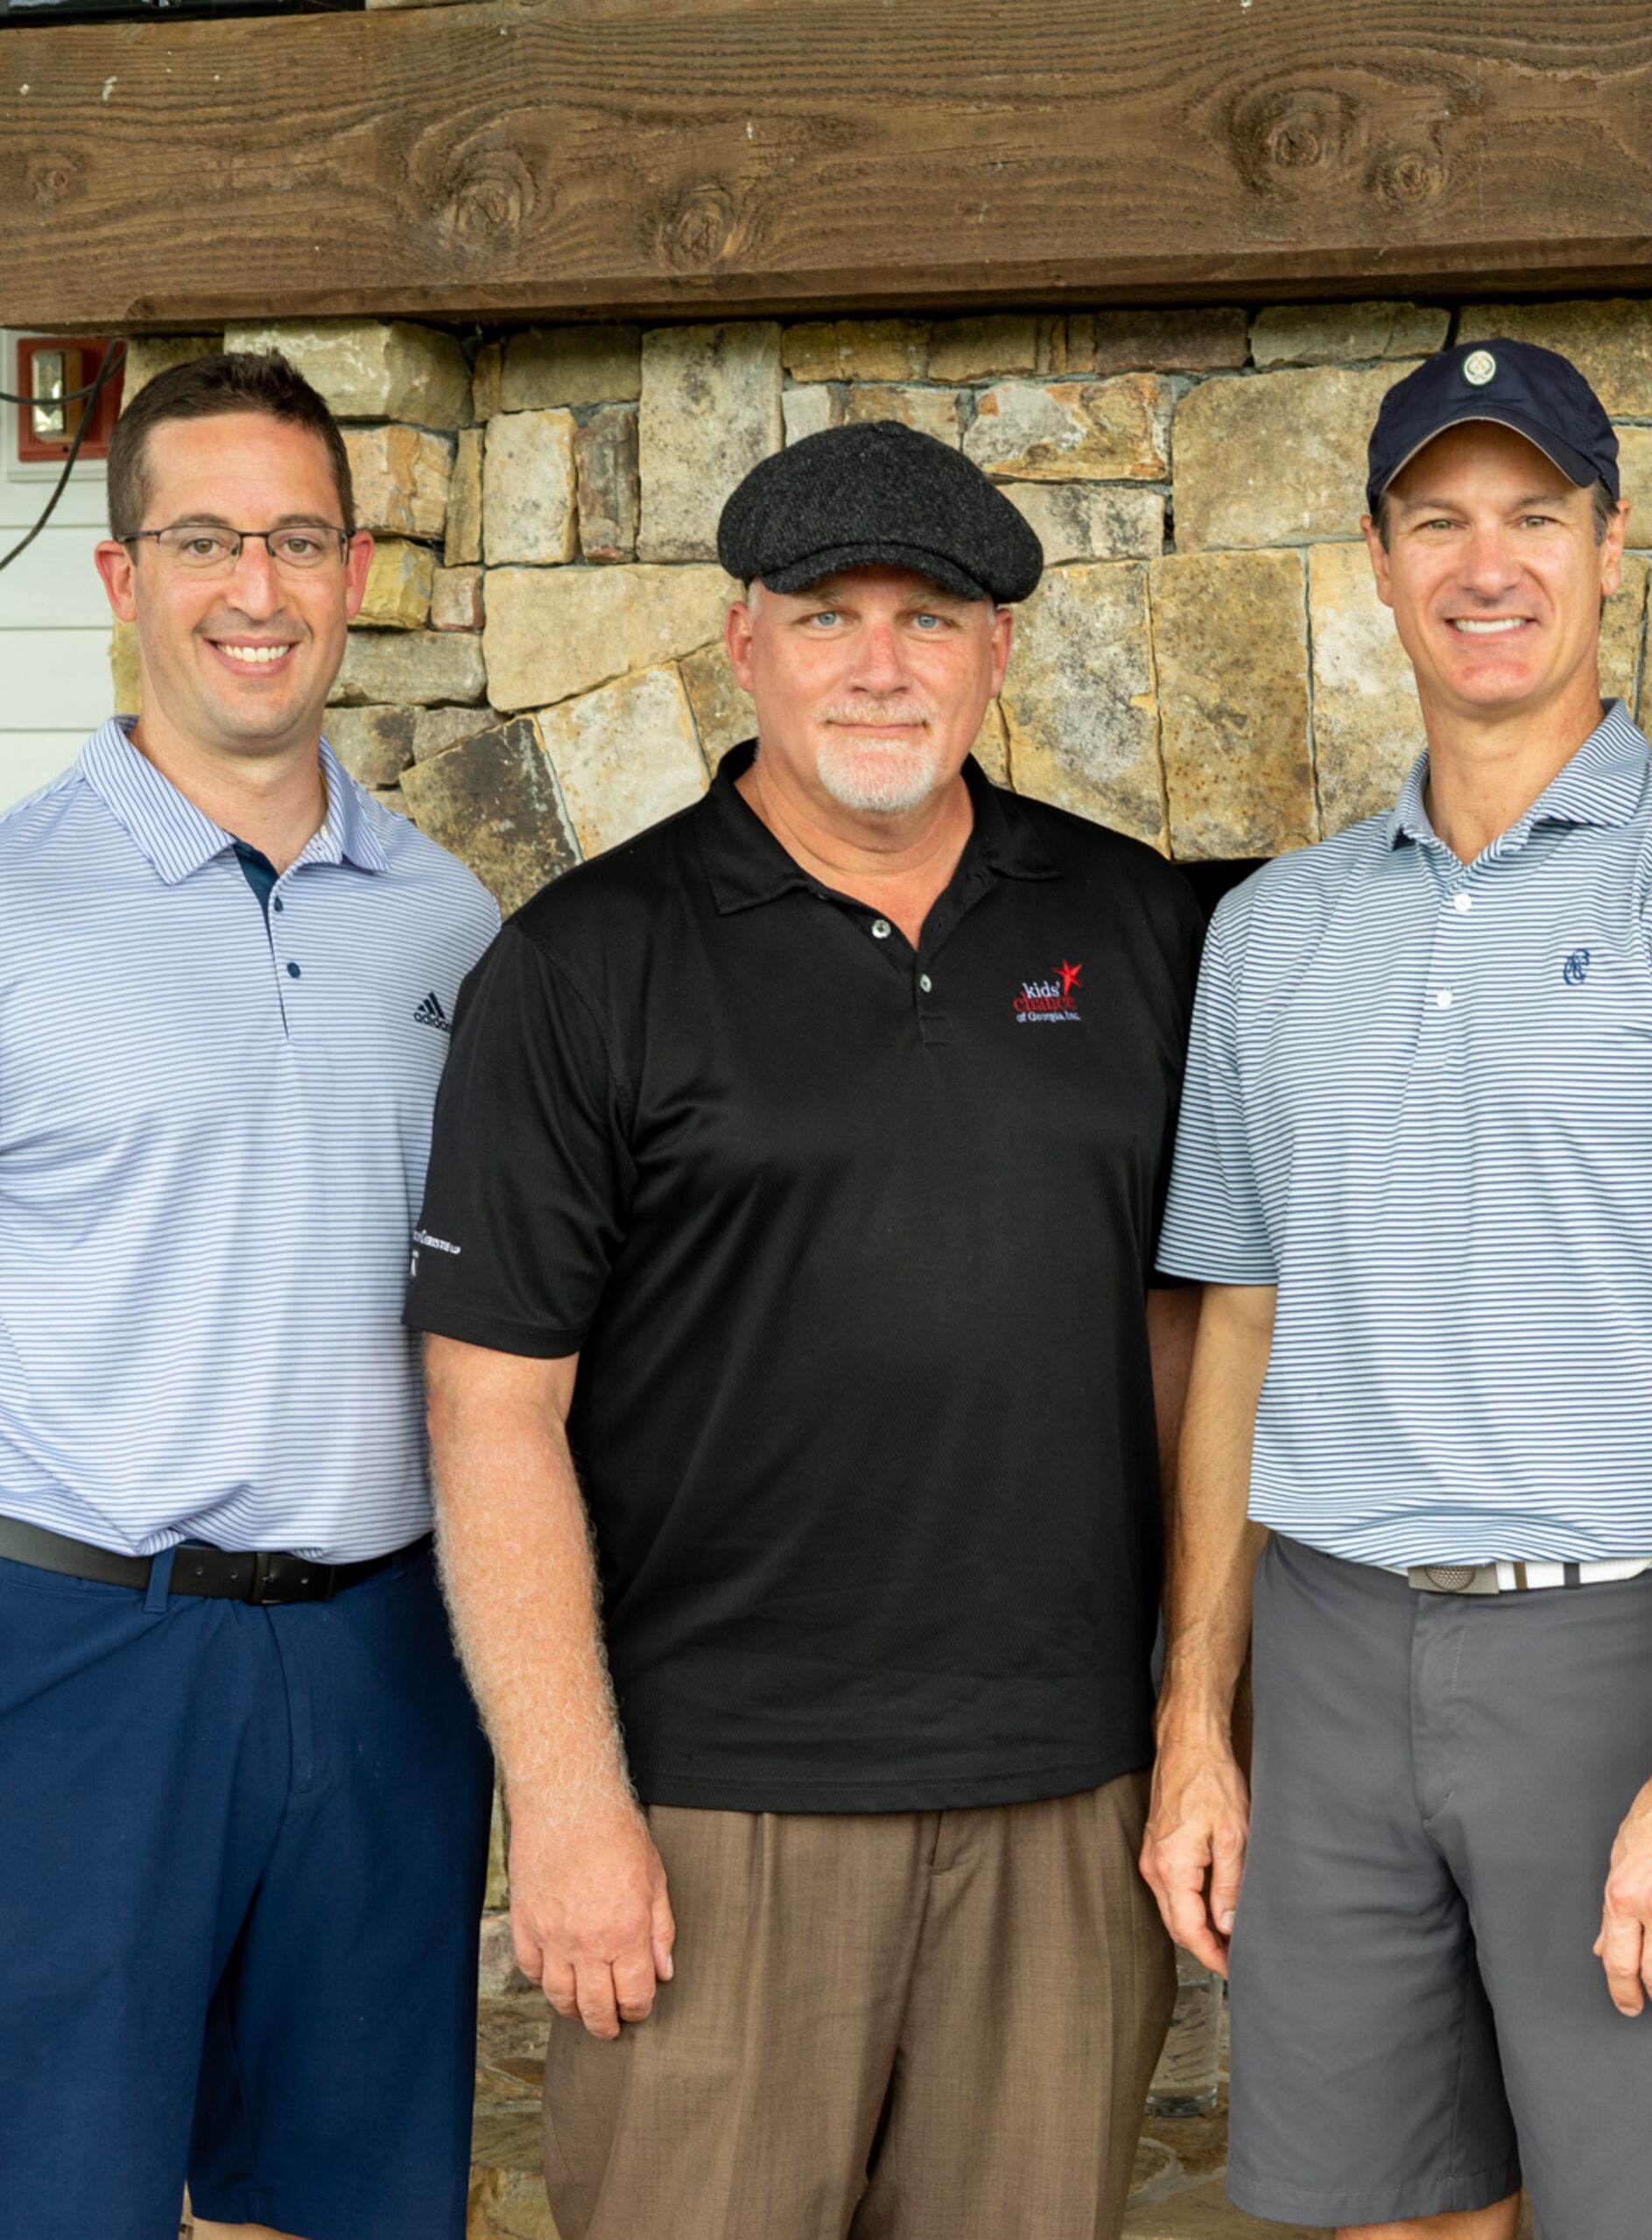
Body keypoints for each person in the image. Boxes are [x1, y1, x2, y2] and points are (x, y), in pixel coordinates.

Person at [406, 418, 1203, 2240]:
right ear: (741, 641)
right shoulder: (590, 962)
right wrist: (572, 1805)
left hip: (1064, 1803)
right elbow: (490, 1412)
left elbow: (1193, 1338)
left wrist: (1196, 1710)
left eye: (929, 617)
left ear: (1002, 650)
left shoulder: (1138, 924)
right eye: (826, 614)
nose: (879, 664)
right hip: (715, 1812)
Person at [1141, 339, 1652, 2240]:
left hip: (1618, 1650)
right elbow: (1239, 1328)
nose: (1490, 564)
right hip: (1324, 1645)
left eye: (1536, 516)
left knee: (1645, 2215)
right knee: (1380, 2208)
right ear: (1380, 563)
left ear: (1613, 546)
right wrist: (1193, 1715)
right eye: (1440, 520)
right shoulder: (1270, 930)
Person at [0, 352, 502, 2240]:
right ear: (122, 580)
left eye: (295, 540)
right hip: (61, 1652)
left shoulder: (451, 922)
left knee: (352, 2200)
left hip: (375, 1661)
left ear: (355, 572)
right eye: (202, 539)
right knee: (42, 2204)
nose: (252, 588)